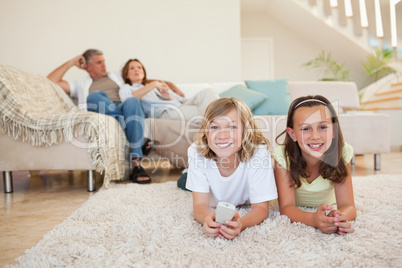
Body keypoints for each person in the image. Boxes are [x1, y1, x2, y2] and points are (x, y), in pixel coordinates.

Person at [47, 49, 154, 183]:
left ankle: (136, 164)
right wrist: (71, 63)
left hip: (123, 109)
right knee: (95, 95)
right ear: (88, 67)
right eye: (99, 62)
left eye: (104, 61)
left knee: (132, 100)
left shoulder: (117, 76)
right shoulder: (80, 84)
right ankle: (130, 132)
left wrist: (170, 85)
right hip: (105, 111)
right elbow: (50, 82)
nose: (104, 65)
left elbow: (142, 78)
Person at [185, 97, 278, 240]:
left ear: (245, 131)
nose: (222, 135)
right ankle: (185, 174)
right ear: (206, 132)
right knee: (183, 182)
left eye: (232, 127)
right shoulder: (196, 152)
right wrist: (207, 218)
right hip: (205, 177)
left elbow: (261, 209)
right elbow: (199, 205)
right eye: (214, 127)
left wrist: (242, 223)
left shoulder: (259, 153)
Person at [273, 95, 356, 235]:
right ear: (292, 134)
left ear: (334, 131)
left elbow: (348, 206)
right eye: (306, 129)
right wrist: (313, 219)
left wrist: (338, 218)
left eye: (322, 127)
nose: (315, 136)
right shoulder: (283, 156)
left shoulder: (342, 152)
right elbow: (287, 208)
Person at [119, 59, 219, 123]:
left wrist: (168, 96)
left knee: (208, 92)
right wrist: (153, 84)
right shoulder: (127, 87)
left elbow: (180, 99)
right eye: (132, 68)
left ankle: (221, 123)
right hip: (166, 111)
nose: (136, 70)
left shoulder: (155, 85)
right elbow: (129, 100)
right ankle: (223, 125)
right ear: (127, 74)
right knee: (206, 113)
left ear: (143, 72)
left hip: (181, 104)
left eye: (139, 67)